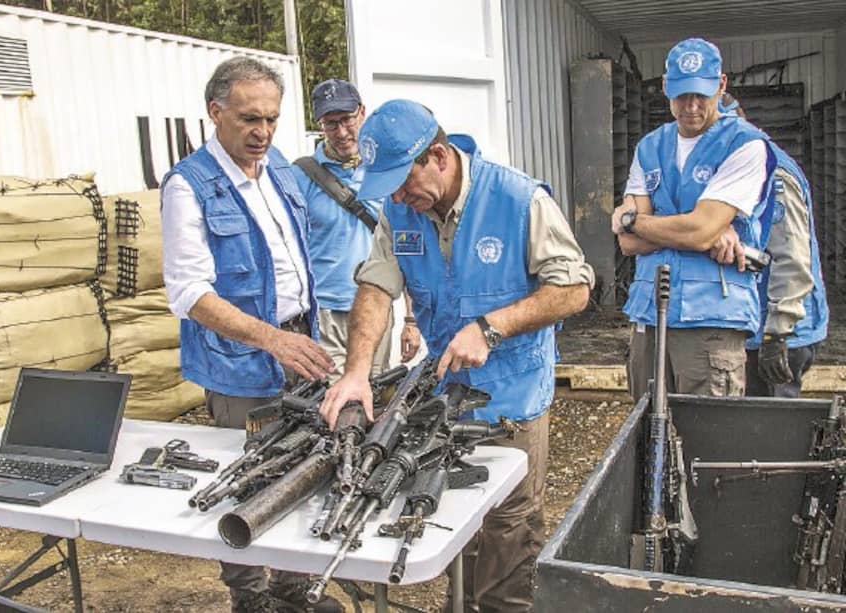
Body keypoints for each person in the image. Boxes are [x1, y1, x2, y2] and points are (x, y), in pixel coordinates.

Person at [319, 99, 594, 612]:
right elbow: (377, 288)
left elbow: (574, 288)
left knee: (509, 528)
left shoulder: (517, 198)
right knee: (453, 517)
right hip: (447, 396)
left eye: (404, 182)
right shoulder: (400, 209)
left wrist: (491, 327)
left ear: (439, 157)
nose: (399, 196)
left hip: (512, 395)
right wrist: (356, 372)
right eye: (390, 188)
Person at [160, 56, 340, 613]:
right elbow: (190, 295)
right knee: (246, 478)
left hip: (299, 347)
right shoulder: (188, 187)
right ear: (215, 113)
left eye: (271, 119)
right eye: (248, 119)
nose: (262, 132)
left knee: (303, 468)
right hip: (241, 362)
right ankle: (253, 599)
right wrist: (272, 339)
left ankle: (292, 592)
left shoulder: (281, 169)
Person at [612, 38, 778, 401]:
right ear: (665, 88)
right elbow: (629, 243)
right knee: (646, 440)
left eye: (701, 94)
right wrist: (693, 229)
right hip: (650, 312)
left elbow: (700, 231)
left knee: (707, 441)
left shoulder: (745, 144)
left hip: (712, 317)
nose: (690, 106)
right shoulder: (650, 146)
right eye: (681, 94)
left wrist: (632, 219)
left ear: (721, 85)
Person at [292, 79, 420, 376]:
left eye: (347, 120)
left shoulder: (385, 171)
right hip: (325, 312)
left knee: (372, 393)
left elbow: (407, 244)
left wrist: (410, 320)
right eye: (331, 124)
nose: (341, 132)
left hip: (376, 305)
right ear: (320, 125)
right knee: (333, 400)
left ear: (362, 113)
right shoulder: (301, 175)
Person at [718, 93, 828, 397]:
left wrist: (776, 334)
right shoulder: (736, 167)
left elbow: (791, 257)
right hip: (756, 324)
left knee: (769, 430)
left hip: (781, 331)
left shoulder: (773, 172)